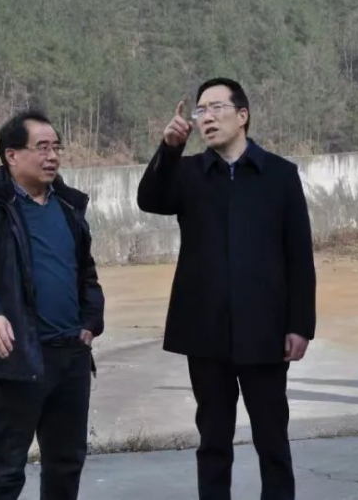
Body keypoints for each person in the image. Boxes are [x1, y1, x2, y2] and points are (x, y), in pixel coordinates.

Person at [136, 78, 316, 500]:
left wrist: (300, 324)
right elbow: (149, 199)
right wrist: (169, 149)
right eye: (201, 110)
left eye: (217, 107)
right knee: (213, 439)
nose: (207, 117)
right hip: (205, 328)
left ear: (243, 115)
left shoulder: (279, 175)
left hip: (265, 329)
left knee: (272, 437)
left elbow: (298, 255)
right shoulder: (188, 173)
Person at [0, 110, 105, 500]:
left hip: (71, 355)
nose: (52, 156)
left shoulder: (67, 206)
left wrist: (90, 320)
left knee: (66, 463)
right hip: (20, 356)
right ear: (12, 155)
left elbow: (85, 272)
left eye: (56, 147)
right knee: (6, 468)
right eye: (42, 148)